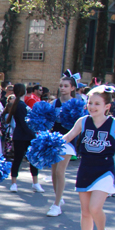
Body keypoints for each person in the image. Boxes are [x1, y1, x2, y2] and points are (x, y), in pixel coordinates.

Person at [62, 86, 113, 230]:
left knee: (94, 207)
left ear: (107, 106)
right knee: (85, 212)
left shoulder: (113, 124)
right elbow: (67, 137)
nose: (92, 106)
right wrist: (48, 143)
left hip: (105, 170)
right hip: (85, 169)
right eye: (90, 102)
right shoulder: (83, 121)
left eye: (97, 103)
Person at [48, 74, 80, 216]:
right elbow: (49, 122)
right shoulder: (54, 103)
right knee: (54, 172)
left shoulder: (76, 104)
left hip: (69, 140)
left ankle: (56, 205)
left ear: (73, 88)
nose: (63, 88)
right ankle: (58, 198)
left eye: (66, 86)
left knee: (60, 171)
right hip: (55, 139)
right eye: (61, 86)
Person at [4, 83, 42, 193]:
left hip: (22, 135)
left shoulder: (20, 104)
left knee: (27, 159)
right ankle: (16, 183)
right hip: (23, 136)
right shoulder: (20, 105)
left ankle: (33, 183)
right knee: (22, 159)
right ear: (23, 91)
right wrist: (33, 134)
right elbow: (23, 123)